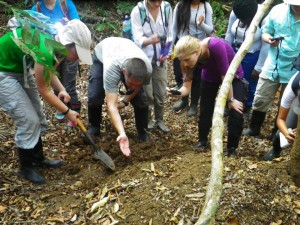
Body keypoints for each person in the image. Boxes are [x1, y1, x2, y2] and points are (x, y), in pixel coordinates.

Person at [0, 19, 92, 184]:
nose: (78, 58)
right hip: (3, 72)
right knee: (28, 119)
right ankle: (26, 168)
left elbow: (48, 70)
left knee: (37, 114)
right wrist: (67, 112)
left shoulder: (57, 45)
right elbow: (45, 90)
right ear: (68, 44)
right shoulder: (45, 48)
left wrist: (62, 89)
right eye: (77, 53)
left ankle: (38, 159)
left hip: (20, 70)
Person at [169, 35, 246, 157]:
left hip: (231, 76)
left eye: (187, 60)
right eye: (182, 60)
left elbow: (225, 77)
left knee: (236, 112)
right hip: (210, 75)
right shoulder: (187, 59)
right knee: (205, 109)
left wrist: (231, 100)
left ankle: (232, 148)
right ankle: (202, 141)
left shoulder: (215, 45)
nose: (185, 63)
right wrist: (177, 93)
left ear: (196, 52)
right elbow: (186, 88)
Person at [243, 0, 300, 138]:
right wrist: (269, 40)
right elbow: (265, 32)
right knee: (261, 97)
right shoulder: (277, 11)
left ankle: (278, 133)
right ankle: (254, 128)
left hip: (296, 68)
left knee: (287, 103)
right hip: (273, 63)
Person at [87, 37, 152, 157]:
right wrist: (122, 133)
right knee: (95, 97)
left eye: (136, 84)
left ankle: (142, 131)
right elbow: (111, 105)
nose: (132, 87)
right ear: (123, 72)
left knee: (141, 102)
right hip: (103, 53)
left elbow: (137, 86)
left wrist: (125, 101)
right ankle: (94, 126)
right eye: (130, 83)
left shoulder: (147, 69)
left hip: (126, 51)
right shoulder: (112, 69)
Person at [32, 0, 82, 127]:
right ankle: (62, 107)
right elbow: (32, 30)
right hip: (50, 49)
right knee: (55, 76)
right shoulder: (37, 8)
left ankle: (73, 111)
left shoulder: (65, 4)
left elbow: (77, 24)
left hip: (69, 47)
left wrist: (68, 24)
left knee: (69, 83)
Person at [131, 0, 173, 132]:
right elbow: (137, 39)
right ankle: (148, 120)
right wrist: (150, 40)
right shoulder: (138, 11)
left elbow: (170, 34)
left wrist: (166, 52)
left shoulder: (166, 9)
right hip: (144, 60)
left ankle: (159, 120)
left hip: (160, 59)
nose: (157, 3)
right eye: (154, 1)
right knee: (148, 94)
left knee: (160, 92)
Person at [225, 0, 269, 120]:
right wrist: (226, 53)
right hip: (234, 50)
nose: (243, 21)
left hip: (252, 54)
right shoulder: (237, 12)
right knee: (231, 78)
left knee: (249, 82)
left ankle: (246, 107)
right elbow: (229, 33)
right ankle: (228, 102)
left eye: (246, 19)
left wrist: (259, 67)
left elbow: (266, 45)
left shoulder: (263, 16)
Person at [172, 0, 213, 116]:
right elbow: (174, 28)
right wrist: (171, 49)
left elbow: (210, 30)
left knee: (197, 78)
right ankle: (183, 99)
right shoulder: (181, 5)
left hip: (197, 49)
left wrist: (201, 25)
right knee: (180, 74)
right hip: (181, 47)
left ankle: (194, 104)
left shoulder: (206, 7)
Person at [263, 61, 300, 161]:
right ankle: (276, 150)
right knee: (285, 129)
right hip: (298, 106)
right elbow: (281, 119)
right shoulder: (295, 83)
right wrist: (287, 134)